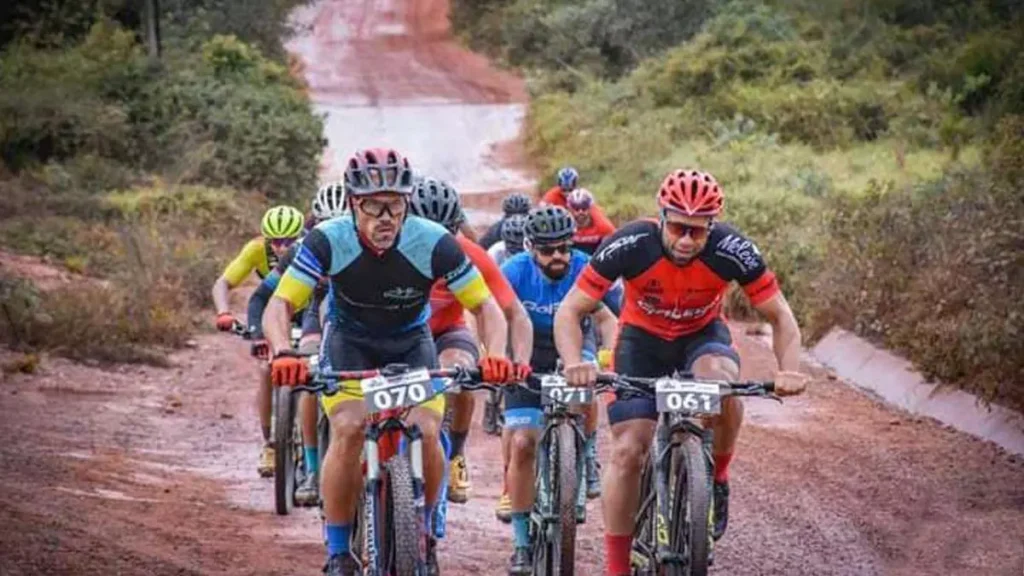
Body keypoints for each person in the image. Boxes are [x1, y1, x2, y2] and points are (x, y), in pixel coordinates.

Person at [262, 148, 528, 576]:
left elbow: (486, 308)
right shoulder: (328, 239)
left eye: (397, 204)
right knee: (348, 429)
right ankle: (337, 551)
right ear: (353, 203)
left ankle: (422, 534)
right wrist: (284, 352)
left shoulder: (434, 241)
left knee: (426, 430)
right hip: (350, 342)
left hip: (411, 343)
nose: (387, 217)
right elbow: (279, 305)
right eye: (375, 206)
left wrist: (495, 355)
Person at [553, 169, 810, 576]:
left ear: (713, 227)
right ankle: (616, 567)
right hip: (641, 341)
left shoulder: (732, 249)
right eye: (677, 227)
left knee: (724, 387)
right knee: (627, 451)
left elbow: (780, 316)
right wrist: (573, 362)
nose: (687, 240)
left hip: (701, 336)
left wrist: (790, 370)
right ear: (661, 217)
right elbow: (571, 310)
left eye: (697, 231)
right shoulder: (630, 243)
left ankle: (717, 477)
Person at [498, 206, 621, 574]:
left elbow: (607, 318)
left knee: (587, 387)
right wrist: (498, 360)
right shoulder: (514, 271)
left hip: (574, 348)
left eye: (565, 248)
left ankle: (584, 455)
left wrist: (607, 357)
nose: (559, 257)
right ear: (530, 247)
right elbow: (492, 313)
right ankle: (521, 542)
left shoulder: (585, 266)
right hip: (527, 353)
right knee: (522, 444)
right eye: (549, 250)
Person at [408, 176, 533, 505]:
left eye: (446, 232)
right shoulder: (390, 252)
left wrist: (512, 360)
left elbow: (513, 312)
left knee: (461, 375)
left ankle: (456, 454)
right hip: (401, 337)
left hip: (448, 332)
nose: (435, 240)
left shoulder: (468, 254)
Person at [245, 181, 348, 504]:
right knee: (309, 372)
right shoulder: (301, 250)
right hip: (319, 314)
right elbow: (265, 296)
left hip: (360, 318)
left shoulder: (374, 247)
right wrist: (260, 334)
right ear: (314, 223)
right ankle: (314, 469)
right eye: (324, 224)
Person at [211, 204, 304, 477]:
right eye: (274, 241)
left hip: (306, 310)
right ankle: (270, 444)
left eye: (289, 241)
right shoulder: (256, 250)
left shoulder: (312, 249)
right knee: (267, 369)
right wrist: (224, 312)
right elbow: (223, 283)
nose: (281, 248)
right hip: (275, 313)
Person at [565, 188, 616, 255]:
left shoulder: (604, 226)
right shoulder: (564, 225)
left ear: (590, 208)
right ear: (570, 209)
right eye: (576, 208)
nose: (580, 212)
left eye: (584, 208)